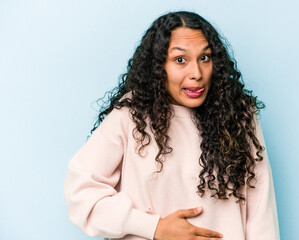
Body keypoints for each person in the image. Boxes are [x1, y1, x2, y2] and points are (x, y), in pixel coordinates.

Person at [64, 11, 279, 240]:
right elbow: (80, 195)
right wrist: (154, 227)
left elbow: (260, 217)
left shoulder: (238, 116)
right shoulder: (131, 115)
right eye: (180, 60)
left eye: (205, 58)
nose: (196, 73)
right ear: (159, 67)